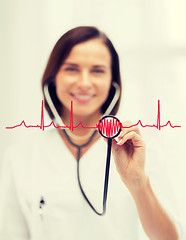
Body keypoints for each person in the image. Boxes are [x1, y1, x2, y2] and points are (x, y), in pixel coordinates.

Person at [0, 26, 182, 240]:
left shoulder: (141, 148)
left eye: (97, 70)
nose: (84, 83)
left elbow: (170, 238)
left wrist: (138, 182)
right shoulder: (21, 157)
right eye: (71, 69)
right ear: (53, 78)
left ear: (112, 83)